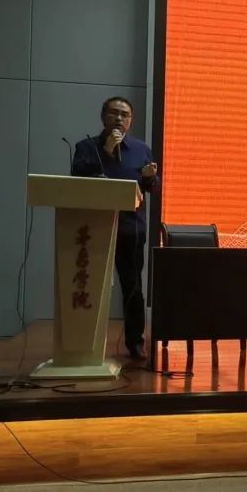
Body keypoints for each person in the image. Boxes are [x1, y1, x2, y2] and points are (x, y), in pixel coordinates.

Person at [71, 97, 159, 360]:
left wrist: (150, 177)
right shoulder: (86, 147)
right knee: (89, 283)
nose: (119, 118)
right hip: (94, 228)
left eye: (125, 114)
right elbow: (77, 177)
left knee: (132, 287)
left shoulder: (141, 149)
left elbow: (153, 188)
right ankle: (83, 342)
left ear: (130, 120)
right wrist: (107, 151)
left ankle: (135, 342)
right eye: (114, 113)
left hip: (131, 230)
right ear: (103, 116)